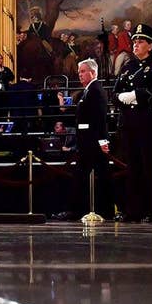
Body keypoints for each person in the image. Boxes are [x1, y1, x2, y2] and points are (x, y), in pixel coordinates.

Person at [113, 23, 152, 223]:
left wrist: (136, 95)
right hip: (130, 122)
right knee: (133, 166)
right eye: (135, 41)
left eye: (140, 41)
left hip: (150, 120)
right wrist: (122, 97)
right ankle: (133, 210)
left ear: (150, 45)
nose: (136, 44)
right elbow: (115, 92)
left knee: (150, 165)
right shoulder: (128, 66)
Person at [53, 59, 110, 221]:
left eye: (83, 71)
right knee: (87, 176)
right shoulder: (87, 91)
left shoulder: (96, 90)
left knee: (85, 176)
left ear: (93, 72)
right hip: (86, 141)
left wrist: (102, 141)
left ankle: (77, 211)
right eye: (79, 72)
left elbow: (100, 118)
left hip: (92, 142)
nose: (80, 74)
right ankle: (86, 210)